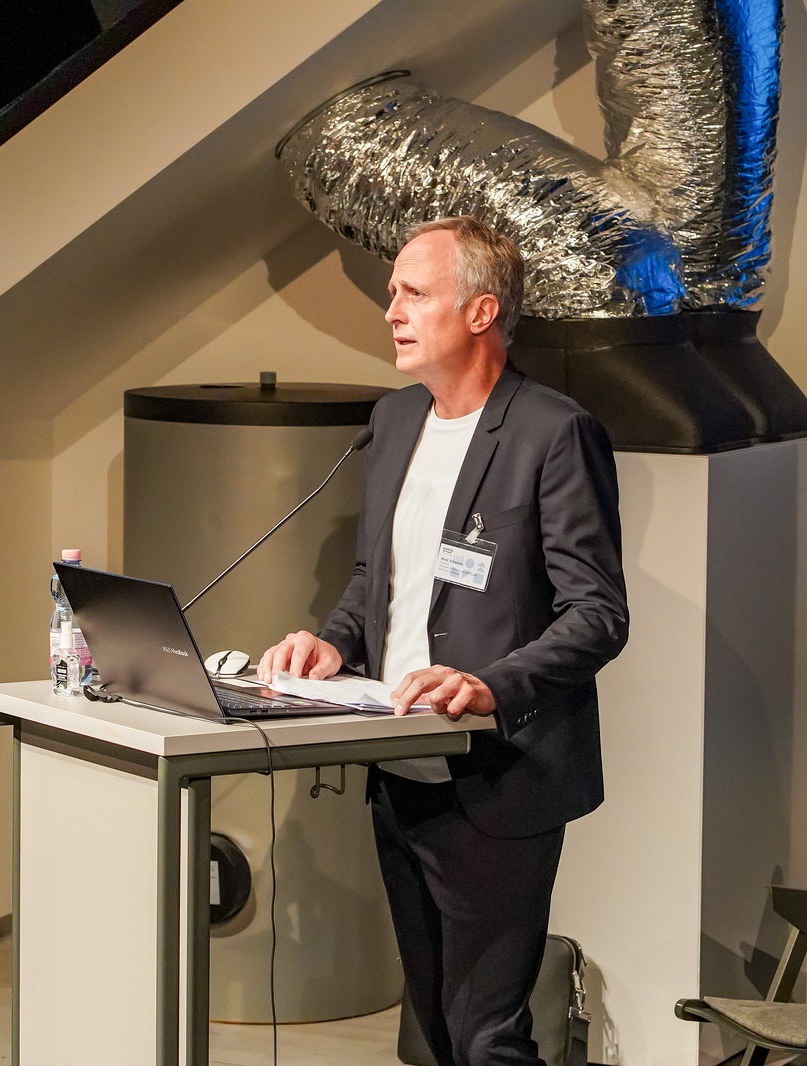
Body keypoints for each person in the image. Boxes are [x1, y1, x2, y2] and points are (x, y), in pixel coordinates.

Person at [258, 216, 628, 1066]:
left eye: (414, 294)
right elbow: (375, 581)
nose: (391, 310)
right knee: (427, 1036)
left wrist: (493, 684)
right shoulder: (393, 421)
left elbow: (598, 613)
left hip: (497, 774)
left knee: (486, 1038)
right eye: (393, 293)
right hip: (398, 770)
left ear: (480, 312)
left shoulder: (552, 432)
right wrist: (333, 644)